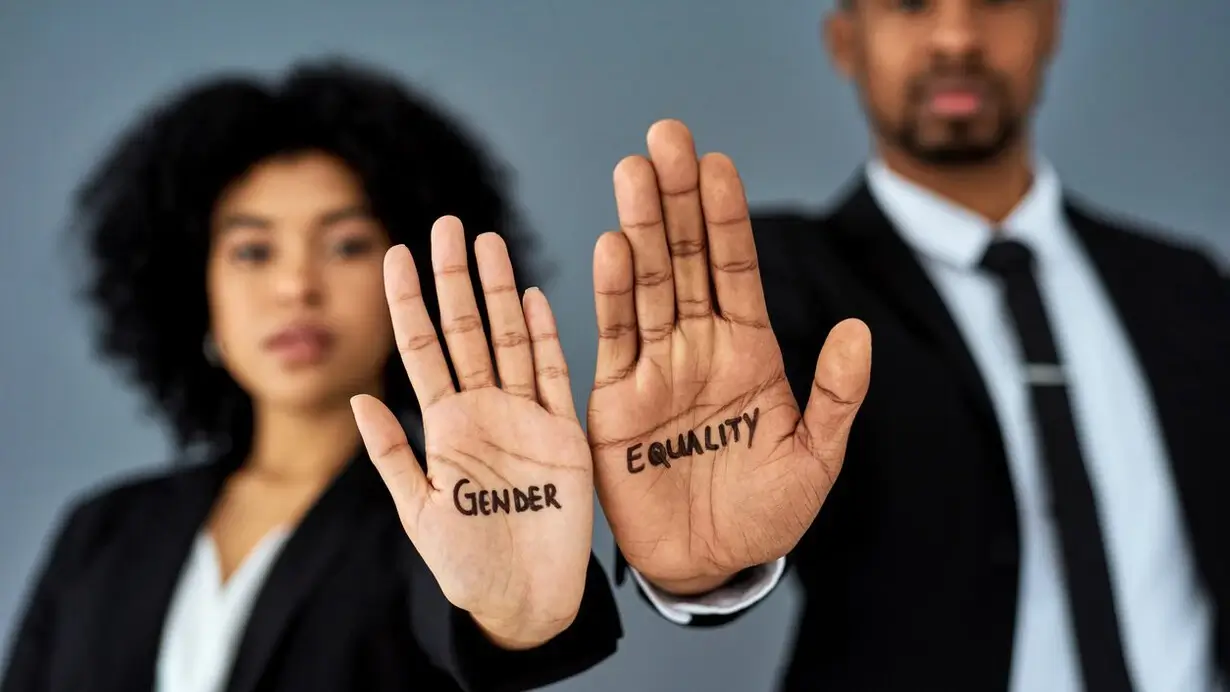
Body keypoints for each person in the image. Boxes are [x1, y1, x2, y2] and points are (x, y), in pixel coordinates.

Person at [586, 1, 1229, 690]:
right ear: (844, 41)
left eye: (994, 1)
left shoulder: (1185, 286)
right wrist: (707, 569)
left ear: (1050, 25)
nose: (956, 37)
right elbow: (735, 482)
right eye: (909, 5)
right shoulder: (774, 289)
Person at [0, 59, 620, 692]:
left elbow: (483, 622)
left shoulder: (451, 509)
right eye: (253, 251)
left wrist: (511, 618)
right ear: (193, 288)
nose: (297, 286)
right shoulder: (101, 533)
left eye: (346, 244)